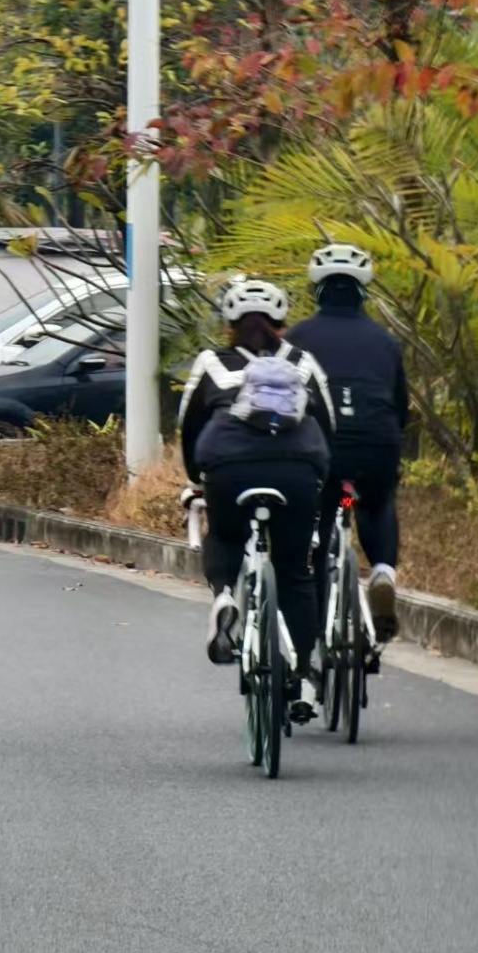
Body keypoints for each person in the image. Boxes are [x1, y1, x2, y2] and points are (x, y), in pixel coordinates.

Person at [179, 278, 335, 720]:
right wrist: (319, 477)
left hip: (229, 469)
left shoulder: (212, 362)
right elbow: (328, 424)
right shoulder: (303, 363)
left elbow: (188, 426)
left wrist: (197, 477)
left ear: (228, 324)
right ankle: (303, 677)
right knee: (293, 572)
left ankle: (226, 596)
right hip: (298, 471)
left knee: (226, 534)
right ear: (281, 322)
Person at [288, 243, 409, 643]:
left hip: (320, 453)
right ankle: (382, 573)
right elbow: (400, 408)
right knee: (375, 502)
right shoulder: (384, 341)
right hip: (376, 447)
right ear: (363, 293)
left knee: (324, 516)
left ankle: (324, 633)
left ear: (318, 291)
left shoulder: (297, 338)